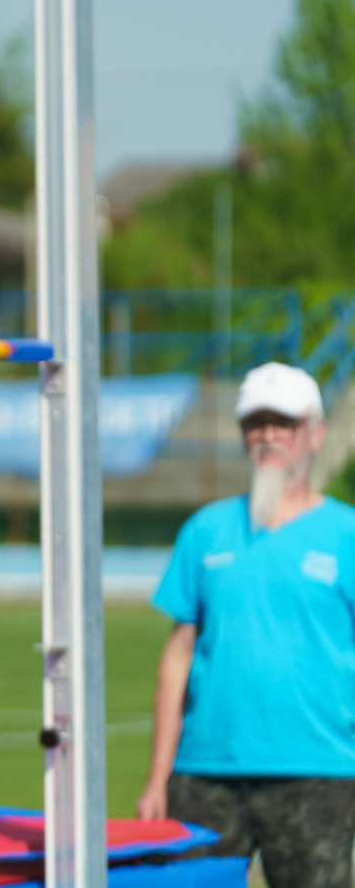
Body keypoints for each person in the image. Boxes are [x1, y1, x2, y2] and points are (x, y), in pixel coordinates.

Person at [138, 361, 355, 888]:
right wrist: (158, 775)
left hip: (319, 772)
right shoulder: (205, 530)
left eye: (284, 423)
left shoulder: (345, 534)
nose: (269, 435)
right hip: (205, 772)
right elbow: (178, 654)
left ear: (315, 433)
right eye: (256, 423)